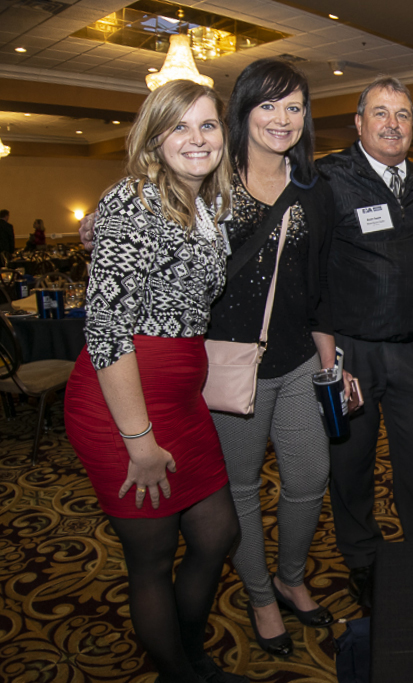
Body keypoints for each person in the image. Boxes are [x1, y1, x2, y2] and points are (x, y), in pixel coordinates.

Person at [63, 80, 246, 683]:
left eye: (208, 126)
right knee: (152, 558)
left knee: (219, 533)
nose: (197, 140)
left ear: (224, 134)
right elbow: (107, 331)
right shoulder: (132, 202)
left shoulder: (206, 205)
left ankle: (191, 655)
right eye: (180, 127)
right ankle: (180, 672)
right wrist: (139, 440)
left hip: (181, 399)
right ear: (154, 137)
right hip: (124, 402)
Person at [205, 58, 356, 656]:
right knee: (240, 487)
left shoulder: (312, 191)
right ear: (242, 111)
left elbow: (318, 292)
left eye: (294, 107)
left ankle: (291, 577)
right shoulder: (211, 181)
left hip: (297, 363)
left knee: (309, 477)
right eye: (269, 105)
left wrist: (331, 367)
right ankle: (260, 593)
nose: (283, 118)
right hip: (229, 367)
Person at [317, 75, 413, 607]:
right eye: (381, 113)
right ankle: (364, 560)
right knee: (351, 465)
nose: (392, 124)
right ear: (359, 122)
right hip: (353, 351)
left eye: (403, 115)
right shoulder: (327, 178)